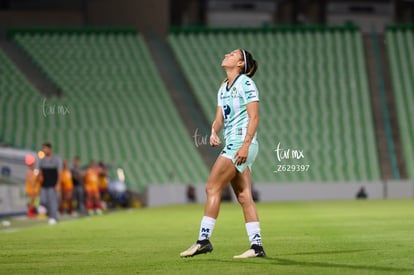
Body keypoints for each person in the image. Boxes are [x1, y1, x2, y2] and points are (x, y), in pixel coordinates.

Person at [180, 49, 265, 258]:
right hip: (237, 143)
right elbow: (219, 118)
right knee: (244, 196)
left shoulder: (245, 83)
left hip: (240, 143)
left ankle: (203, 240)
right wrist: (213, 131)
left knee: (212, 187)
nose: (227, 54)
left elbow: (254, 118)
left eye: (233, 54)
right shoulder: (223, 87)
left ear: (240, 64)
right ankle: (257, 246)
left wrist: (244, 145)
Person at [37, 142, 62, 225]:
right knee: (43, 201)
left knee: (52, 201)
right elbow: (39, 170)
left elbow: (59, 172)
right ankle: (51, 213)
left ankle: (53, 217)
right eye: (43, 148)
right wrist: (39, 176)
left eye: (45, 148)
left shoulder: (56, 159)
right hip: (44, 184)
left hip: (52, 184)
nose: (44, 150)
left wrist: (58, 183)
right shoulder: (41, 159)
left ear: (50, 149)